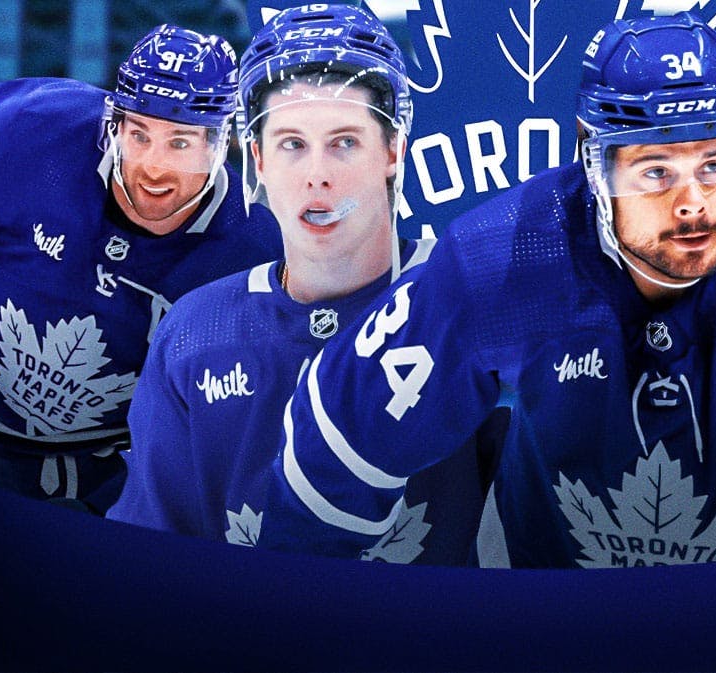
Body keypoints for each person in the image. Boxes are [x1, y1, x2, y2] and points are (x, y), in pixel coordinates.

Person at [259, 11, 716, 567]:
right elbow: (339, 451)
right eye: (655, 170)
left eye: (713, 164)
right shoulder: (500, 258)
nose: (692, 203)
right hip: (552, 615)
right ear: (594, 165)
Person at [108, 4, 496, 564]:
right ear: (259, 159)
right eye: (293, 144)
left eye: (344, 142)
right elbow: (149, 563)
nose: (318, 173)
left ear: (393, 151)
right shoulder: (194, 333)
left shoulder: (479, 302)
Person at [0, 25, 282, 514]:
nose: (153, 167)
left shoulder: (264, 241)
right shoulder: (33, 125)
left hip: (103, 478)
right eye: (139, 134)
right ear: (113, 124)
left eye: (181, 142)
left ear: (223, 143)